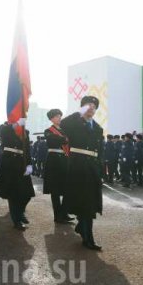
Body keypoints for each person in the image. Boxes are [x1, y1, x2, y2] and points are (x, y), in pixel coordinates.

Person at [60, 96, 103, 250]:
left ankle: (83, 229)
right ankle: (88, 238)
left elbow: (100, 151)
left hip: (92, 169)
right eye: (87, 105)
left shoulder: (98, 128)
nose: (91, 107)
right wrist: (79, 113)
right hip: (78, 167)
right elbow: (63, 124)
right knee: (83, 202)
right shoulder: (74, 123)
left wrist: (101, 170)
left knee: (90, 203)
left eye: (93, 105)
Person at [0, 118, 35, 230]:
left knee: (27, 194)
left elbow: (27, 149)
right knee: (13, 194)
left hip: (22, 163)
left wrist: (29, 164)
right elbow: (1, 133)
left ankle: (20, 212)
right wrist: (16, 124)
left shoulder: (25, 131)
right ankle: (17, 220)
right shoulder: (5, 128)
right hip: (9, 163)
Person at [43, 109, 74, 224]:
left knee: (67, 188)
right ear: (51, 119)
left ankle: (64, 213)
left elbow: (68, 141)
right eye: (56, 116)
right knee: (55, 190)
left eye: (60, 116)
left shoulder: (65, 130)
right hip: (53, 161)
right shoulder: (48, 130)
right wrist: (64, 139)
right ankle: (57, 215)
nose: (59, 118)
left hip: (65, 160)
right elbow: (52, 141)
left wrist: (64, 139)